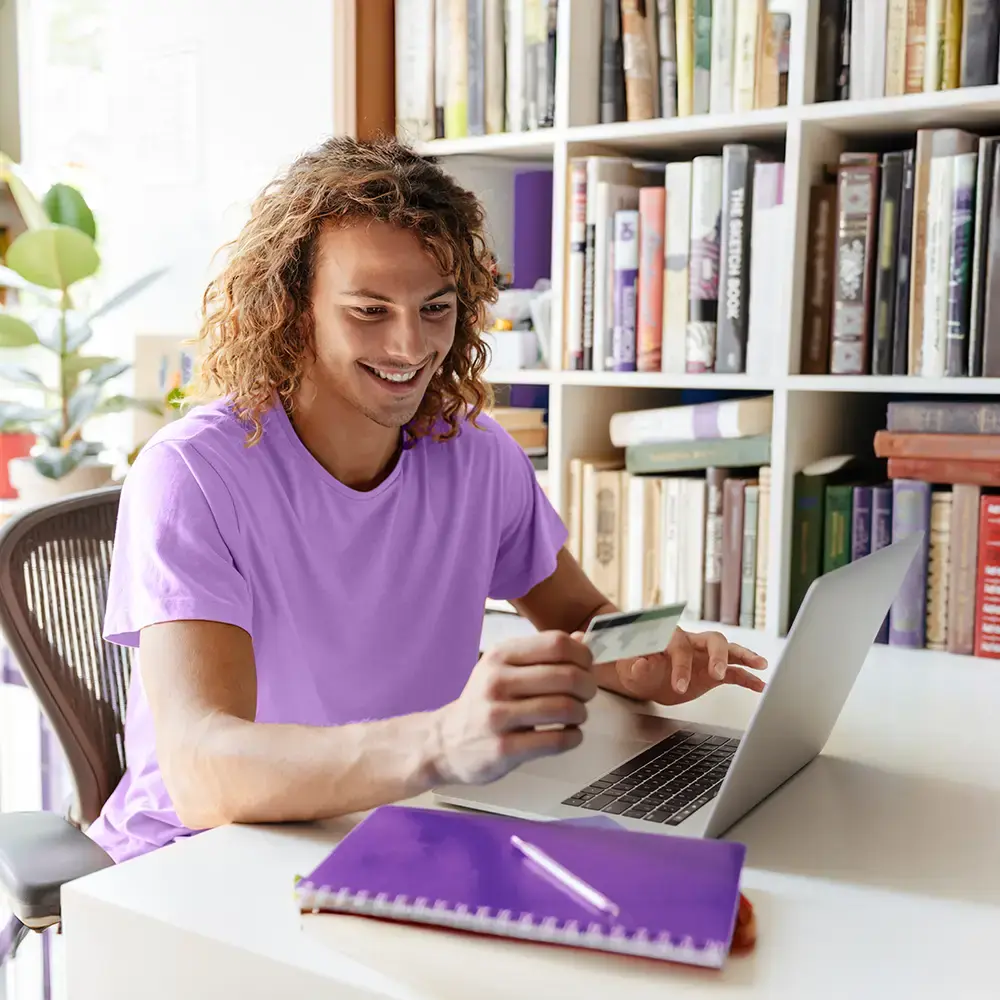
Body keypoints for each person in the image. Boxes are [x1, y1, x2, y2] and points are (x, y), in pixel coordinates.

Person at [88, 136, 767, 863]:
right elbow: (201, 770)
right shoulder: (193, 477)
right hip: (201, 860)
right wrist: (443, 741)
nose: (411, 345)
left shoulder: (477, 457)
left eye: (435, 307)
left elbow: (578, 620)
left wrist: (637, 661)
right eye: (369, 310)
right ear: (294, 310)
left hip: (394, 831)